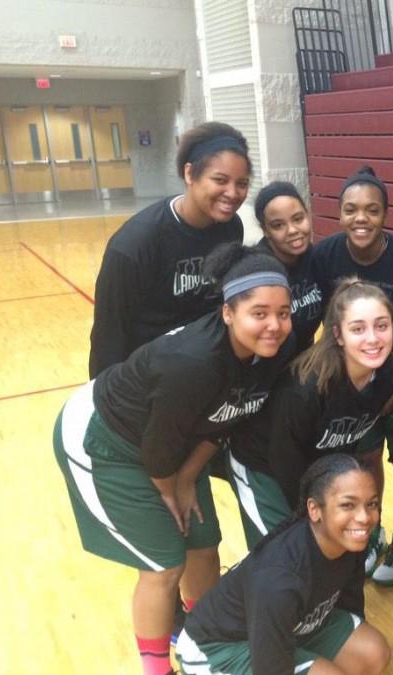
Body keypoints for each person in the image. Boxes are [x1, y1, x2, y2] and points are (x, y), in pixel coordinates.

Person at [54, 243, 295, 675]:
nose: (275, 325)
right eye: (259, 313)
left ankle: (204, 639)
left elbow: (226, 417)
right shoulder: (193, 362)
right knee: (165, 561)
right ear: (228, 313)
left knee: (203, 543)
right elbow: (157, 450)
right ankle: (156, 667)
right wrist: (172, 489)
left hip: (174, 445)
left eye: (283, 312)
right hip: (105, 440)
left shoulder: (272, 350)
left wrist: (187, 479)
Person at [313, 166, 393, 586]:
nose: (360, 218)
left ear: (385, 213)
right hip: (352, 378)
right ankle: (372, 530)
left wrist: (388, 384)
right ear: (339, 214)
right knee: (364, 458)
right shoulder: (324, 255)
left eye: (371, 210)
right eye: (351, 210)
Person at [226, 279, 393, 548]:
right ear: (338, 335)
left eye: (382, 326)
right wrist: (310, 515)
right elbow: (284, 459)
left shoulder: (389, 373)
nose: (372, 338)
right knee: (282, 553)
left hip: (314, 462)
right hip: (263, 465)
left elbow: (348, 437)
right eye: (358, 329)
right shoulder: (307, 388)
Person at [175, 454, 391, 675]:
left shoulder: (350, 542)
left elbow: (350, 606)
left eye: (371, 504)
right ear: (314, 509)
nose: (364, 517)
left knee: (373, 652)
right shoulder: (279, 579)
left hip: (290, 625)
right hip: (218, 648)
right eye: (348, 505)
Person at [89, 121, 252, 377]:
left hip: (206, 367)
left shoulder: (231, 228)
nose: (232, 193)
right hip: (150, 377)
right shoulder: (133, 245)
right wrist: (105, 400)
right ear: (190, 174)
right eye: (220, 180)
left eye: (242, 183)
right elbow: (108, 337)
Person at [253, 181, 323, 352]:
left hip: (306, 359)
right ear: (265, 230)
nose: (292, 230)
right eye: (278, 225)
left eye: (298, 219)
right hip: (269, 367)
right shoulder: (257, 272)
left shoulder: (316, 258)